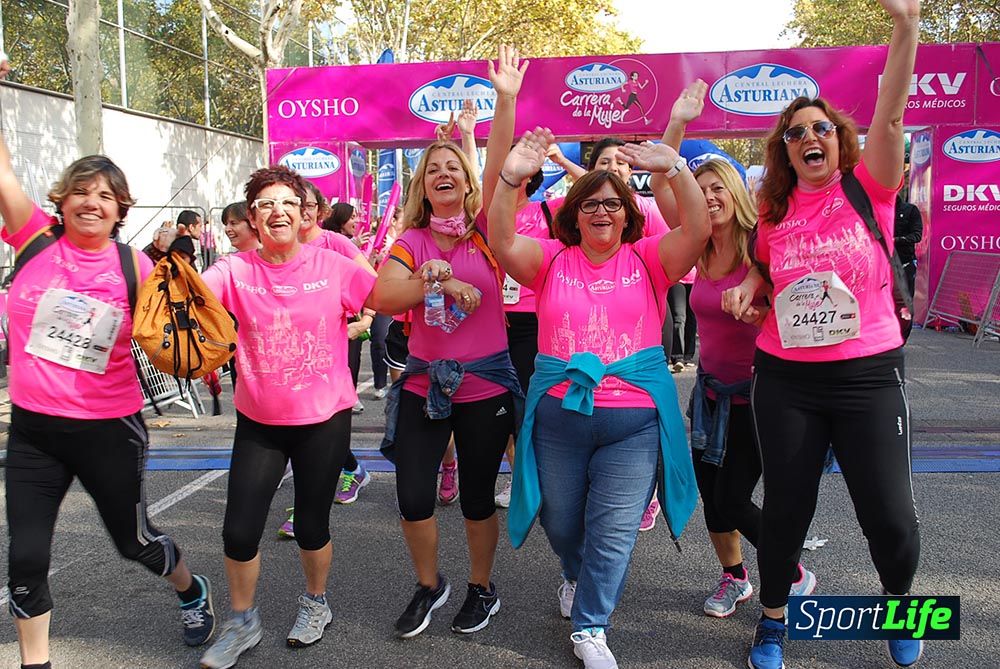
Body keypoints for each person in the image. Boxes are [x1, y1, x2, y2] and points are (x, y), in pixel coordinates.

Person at [722, 2, 923, 667]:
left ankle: (901, 601)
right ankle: (775, 621)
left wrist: (907, 26)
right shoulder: (775, 216)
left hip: (867, 374)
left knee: (889, 517)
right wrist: (753, 286)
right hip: (786, 379)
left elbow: (890, 113)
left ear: (837, 139)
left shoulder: (872, 188)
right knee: (785, 509)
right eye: (794, 132)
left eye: (820, 128)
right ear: (784, 149)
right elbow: (764, 268)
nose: (809, 137)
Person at [0, 66, 216, 668]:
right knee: (25, 558)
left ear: (120, 208)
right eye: (81, 191)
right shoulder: (33, 243)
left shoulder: (136, 269)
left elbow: (185, 326)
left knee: (135, 542)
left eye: (105, 195)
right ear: (62, 201)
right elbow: (2, 174)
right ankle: (35, 663)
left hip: (108, 429)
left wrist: (198, 351)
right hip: (34, 432)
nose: (91, 202)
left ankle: (190, 591)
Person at [493, 128, 709, 669]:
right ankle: (574, 574)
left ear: (627, 211)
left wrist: (675, 168)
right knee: (562, 523)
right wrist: (508, 179)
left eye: (613, 203)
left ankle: (592, 628)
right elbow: (500, 241)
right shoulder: (549, 260)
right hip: (558, 415)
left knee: (612, 530)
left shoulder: (651, 259)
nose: (602, 212)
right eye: (590, 204)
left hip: (632, 422)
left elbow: (699, 229)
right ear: (573, 212)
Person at [197, 165, 376, 669]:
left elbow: (385, 296)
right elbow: (192, 298)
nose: (277, 211)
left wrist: (439, 279)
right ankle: (242, 621)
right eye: (265, 205)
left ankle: (316, 604)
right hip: (260, 422)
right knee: (238, 530)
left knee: (311, 524)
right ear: (253, 218)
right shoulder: (234, 270)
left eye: (287, 204)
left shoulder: (332, 264)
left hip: (323, 419)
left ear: (304, 215)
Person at [372, 139, 521, 639]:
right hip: (424, 386)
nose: (442, 173)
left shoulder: (487, 233)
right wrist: (434, 280)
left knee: (478, 498)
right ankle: (429, 585)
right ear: (423, 185)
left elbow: (501, 164)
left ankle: (482, 588)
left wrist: (505, 99)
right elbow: (383, 294)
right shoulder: (412, 241)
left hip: (485, 388)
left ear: (466, 180)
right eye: (432, 168)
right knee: (414, 497)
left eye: (452, 167)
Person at [688, 159, 818, 618]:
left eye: (717, 186)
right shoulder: (698, 249)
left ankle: (792, 571)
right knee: (713, 497)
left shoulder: (757, 247)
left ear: (736, 192)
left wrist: (761, 316)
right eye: (699, 189)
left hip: (758, 396)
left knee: (732, 497)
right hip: (708, 395)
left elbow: (803, 314)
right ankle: (735, 578)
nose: (709, 196)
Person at [479, 44, 540, 509]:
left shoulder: (550, 214)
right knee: (502, 412)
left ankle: (535, 477)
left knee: (531, 410)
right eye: (508, 174)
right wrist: (506, 101)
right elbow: (493, 161)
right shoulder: (489, 213)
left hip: (537, 329)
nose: (514, 179)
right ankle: (521, 477)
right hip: (492, 328)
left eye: (523, 176)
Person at [894, 193, 922, 298]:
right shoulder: (875, 209)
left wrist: (896, 240)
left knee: (905, 300)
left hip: (905, 263)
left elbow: (917, 235)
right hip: (883, 264)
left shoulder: (910, 210)